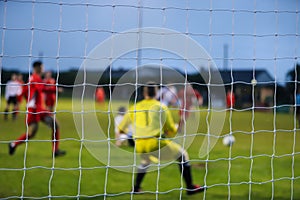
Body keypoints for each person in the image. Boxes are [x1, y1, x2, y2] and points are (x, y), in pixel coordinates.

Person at [118, 82, 205, 195]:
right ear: (156, 93)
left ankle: (136, 188)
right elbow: (170, 131)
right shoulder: (161, 107)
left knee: (145, 161)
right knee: (183, 155)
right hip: (155, 142)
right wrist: (174, 127)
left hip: (139, 144)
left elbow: (121, 130)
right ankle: (190, 187)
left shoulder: (134, 107)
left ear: (144, 93)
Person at [8, 61, 66, 157]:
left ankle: (13, 144)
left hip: (34, 108)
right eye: (42, 67)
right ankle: (14, 144)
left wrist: (25, 99)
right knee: (38, 131)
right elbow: (42, 89)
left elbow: (24, 91)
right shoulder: (35, 77)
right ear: (38, 67)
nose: (43, 69)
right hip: (35, 109)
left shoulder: (31, 78)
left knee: (34, 132)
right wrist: (55, 89)